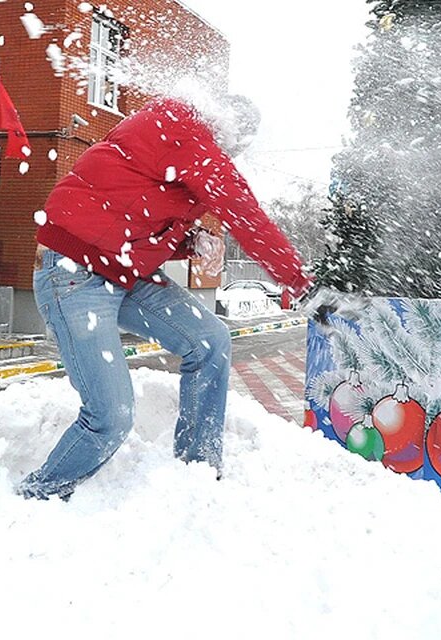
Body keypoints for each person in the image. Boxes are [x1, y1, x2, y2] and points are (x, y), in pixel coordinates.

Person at [18, 95, 312, 500]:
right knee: (110, 417)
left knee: (210, 341)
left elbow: (131, 215)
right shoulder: (184, 129)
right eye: (237, 142)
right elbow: (246, 214)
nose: (234, 152)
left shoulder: (179, 141)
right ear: (226, 127)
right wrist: (300, 282)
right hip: (73, 272)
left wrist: (189, 241)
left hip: (122, 271)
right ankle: (37, 497)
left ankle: (197, 470)